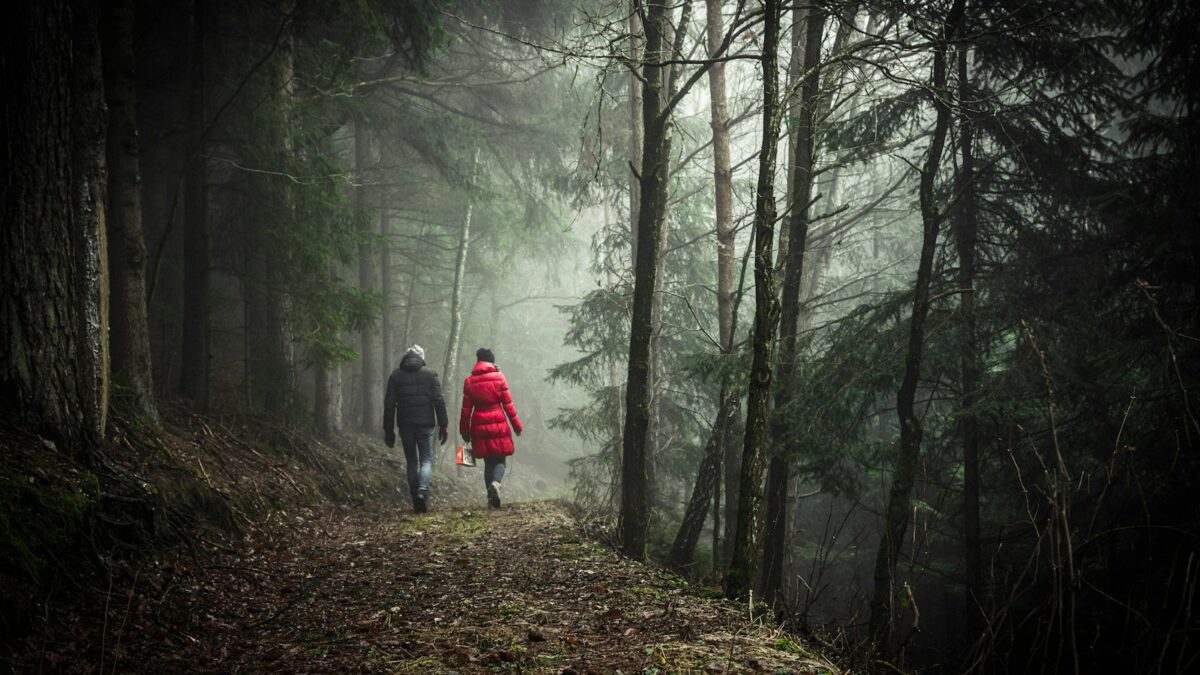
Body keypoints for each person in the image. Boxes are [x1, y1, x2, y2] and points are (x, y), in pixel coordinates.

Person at [383, 344, 448, 513]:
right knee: (426, 459)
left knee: (412, 461)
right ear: (422, 357)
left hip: (405, 425)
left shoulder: (395, 376)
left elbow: (389, 404)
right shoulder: (430, 374)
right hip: (426, 424)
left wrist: (388, 430)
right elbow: (439, 401)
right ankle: (422, 491)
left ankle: (415, 497)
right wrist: (444, 425)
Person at [460, 348, 523, 509]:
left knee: (488, 462)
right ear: (492, 361)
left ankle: (490, 498)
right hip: (497, 421)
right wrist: (517, 425)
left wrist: (464, 430)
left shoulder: (469, 381)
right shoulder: (499, 377)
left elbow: (466, 409)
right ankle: (496, 484)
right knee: (500, 459)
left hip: (478, 423)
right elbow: (508, 404)